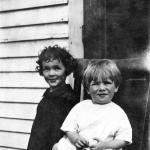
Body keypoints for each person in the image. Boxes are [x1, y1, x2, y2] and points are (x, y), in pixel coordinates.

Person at [53, 59, 132, 150]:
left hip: (103, 147)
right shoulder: (80, 107)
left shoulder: (118, 113)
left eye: (107, 83)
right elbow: (68, 128)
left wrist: (106, 145)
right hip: (80, 147)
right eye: (96, 84)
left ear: (116, 87)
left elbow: (124, 139)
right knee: (57, 147)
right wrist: (75, 139)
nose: (102, 88)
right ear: (87, 89)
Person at [27, 45, 78, 150]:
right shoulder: (46, 97)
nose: (51, 73)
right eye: (46, 69)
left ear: (66, 69)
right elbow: (36, 134)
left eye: (57, 68)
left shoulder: (69, 99)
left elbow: (65, 133)